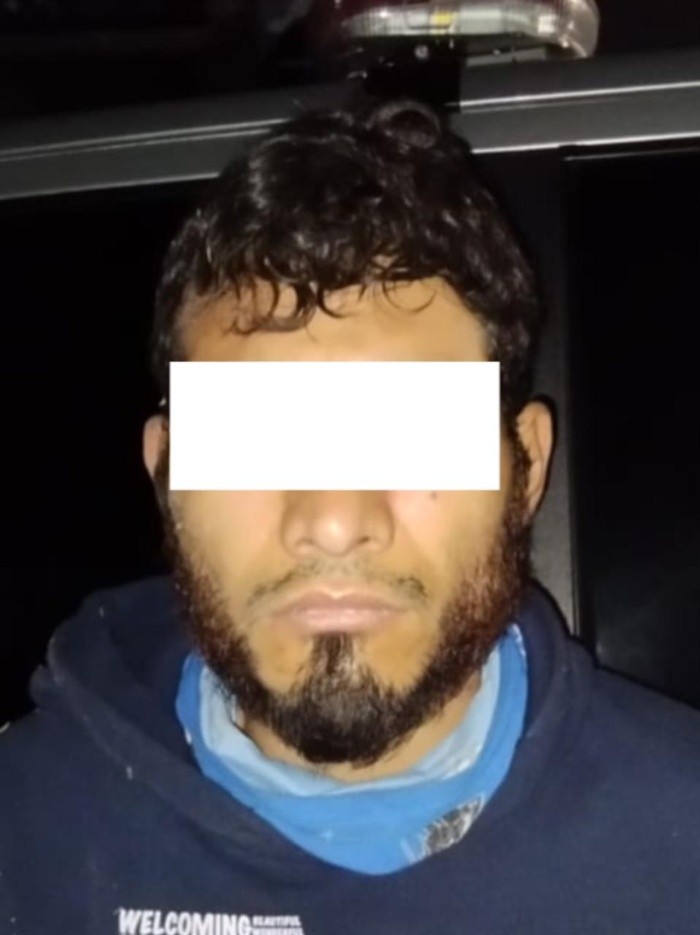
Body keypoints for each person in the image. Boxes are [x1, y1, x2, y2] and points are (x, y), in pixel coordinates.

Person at [2, 98, 700, 935]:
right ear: (166, 474)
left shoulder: (681, 846)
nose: (334, 522)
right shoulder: (25, 837)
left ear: (526, 468)